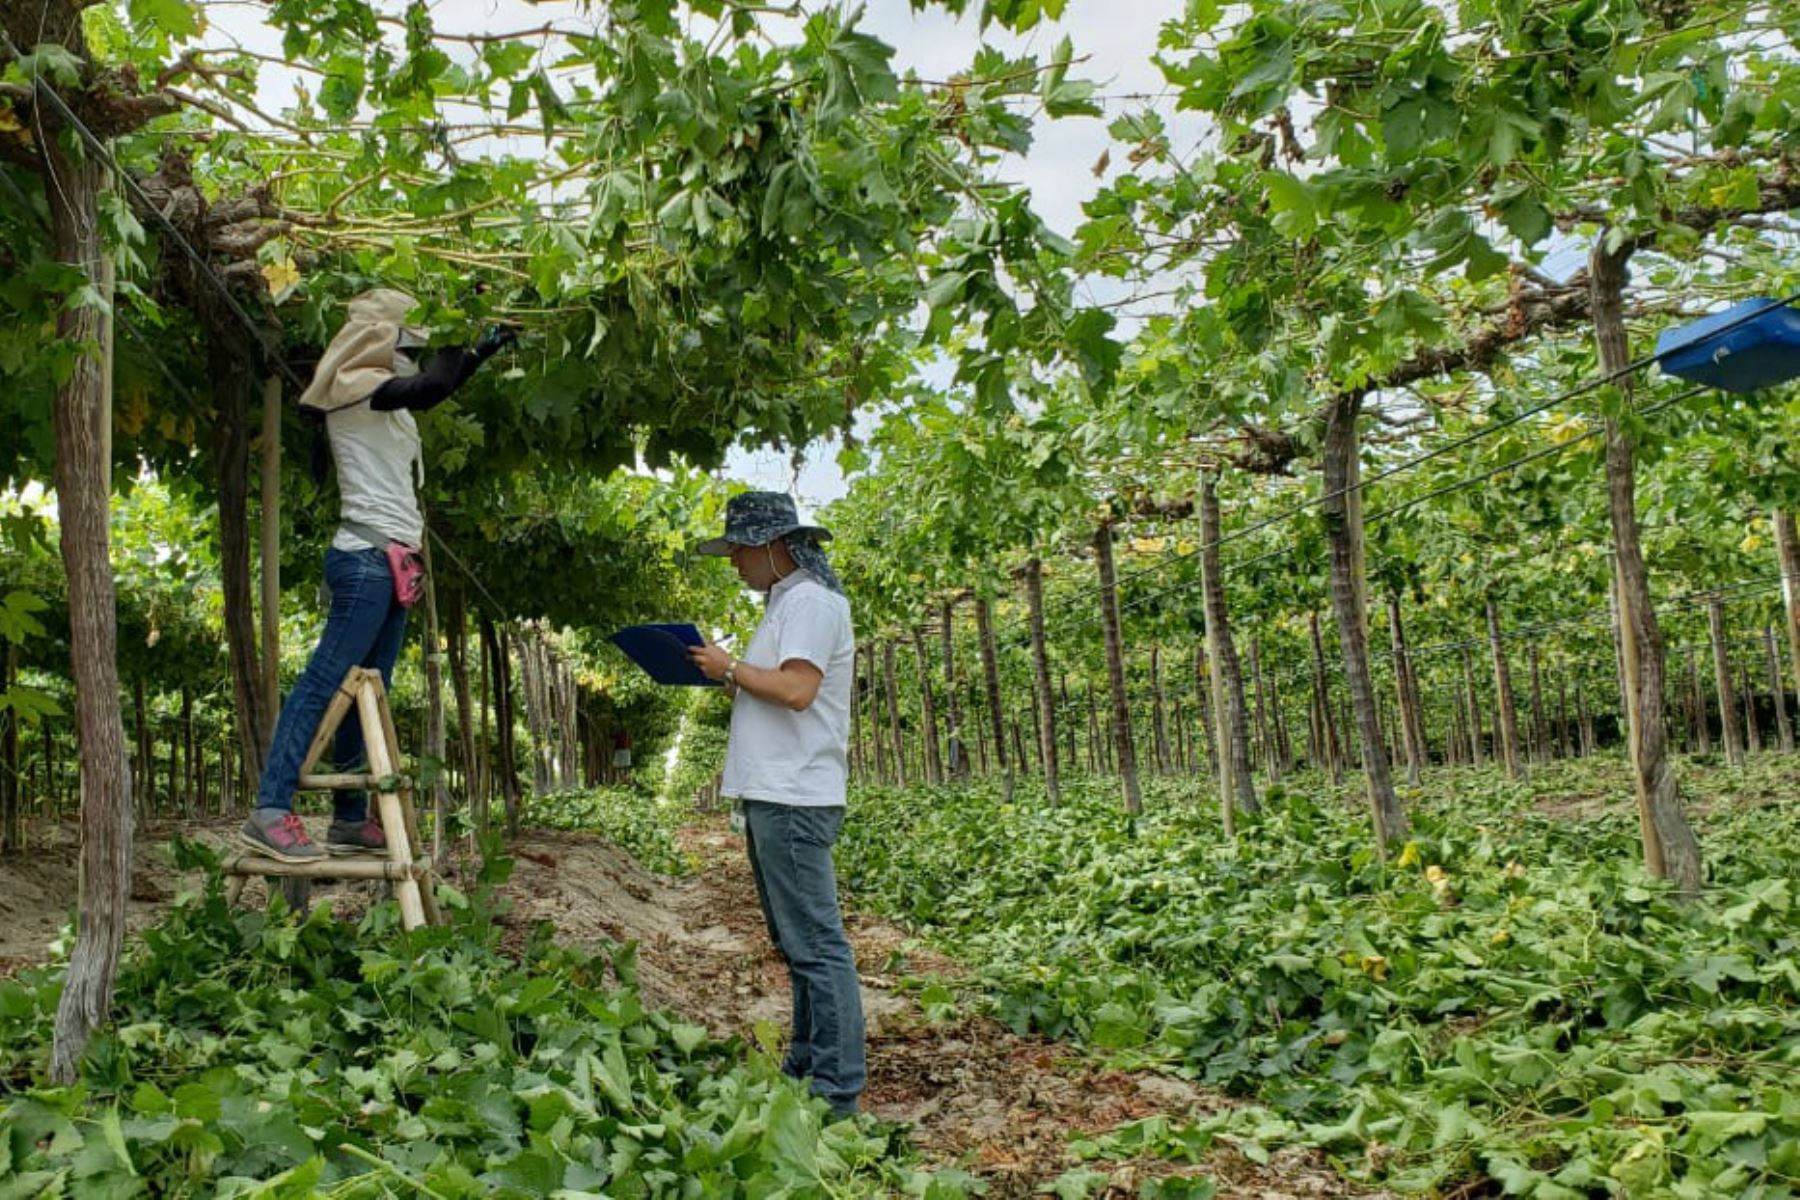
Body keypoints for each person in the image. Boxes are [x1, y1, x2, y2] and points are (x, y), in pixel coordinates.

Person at [241, 288, 512, 863]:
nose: (412, 354)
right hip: (366, 562)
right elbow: (433, 386)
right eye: (406, 341)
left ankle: (347, 821)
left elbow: (429, 385)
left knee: (365, 691)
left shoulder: (381, 396)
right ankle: (269, 808)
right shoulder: (357, 390)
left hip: (392, 562)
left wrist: (475, 349)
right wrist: (468, 335)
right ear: (380, 342)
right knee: (323, 684)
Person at [687, 492, 864, 1120]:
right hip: (777, 793)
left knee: (817, 945)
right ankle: (807, 1063)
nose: (733, 561)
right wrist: (727, 672)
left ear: (772, 545)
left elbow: (796, 689)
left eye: (738, 548)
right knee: (798, 943)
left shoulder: (811, 601)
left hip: (793, 796)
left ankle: (837, 1091)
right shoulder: (788, 602)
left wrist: (731, 666)